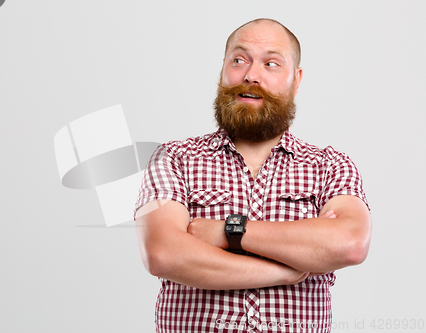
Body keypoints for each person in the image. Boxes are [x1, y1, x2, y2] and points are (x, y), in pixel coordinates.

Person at [134, 18, 371, 333]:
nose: (251, 75)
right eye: (238, 60)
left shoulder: (329, 166)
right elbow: (163, 253)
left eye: (271, 64)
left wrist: (228, 231)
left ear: (296, 80)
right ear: (222, 70)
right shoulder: (174, 159)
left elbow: (350, 243)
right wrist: (284, 270)